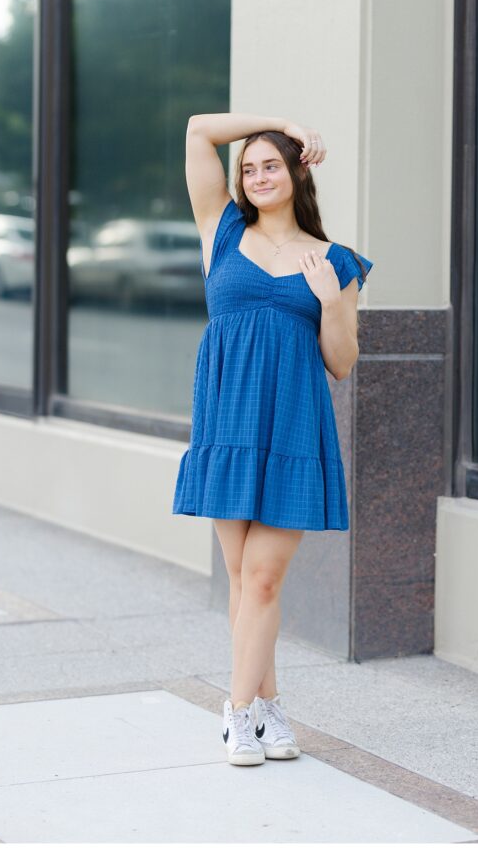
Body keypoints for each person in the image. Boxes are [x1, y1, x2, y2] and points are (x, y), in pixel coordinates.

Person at [172, 112, 373, 766]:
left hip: (292, 427)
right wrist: (280, 121)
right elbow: (200, 131)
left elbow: (342, 362)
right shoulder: (223, 229)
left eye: (271, 164)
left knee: (261, 579)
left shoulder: (334, 259)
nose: (257, 176)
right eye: (249, 167)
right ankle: (270, 708)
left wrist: (331, 300)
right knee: (240, 577)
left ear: (296, 174)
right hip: (228, 422)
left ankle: (236, 713)